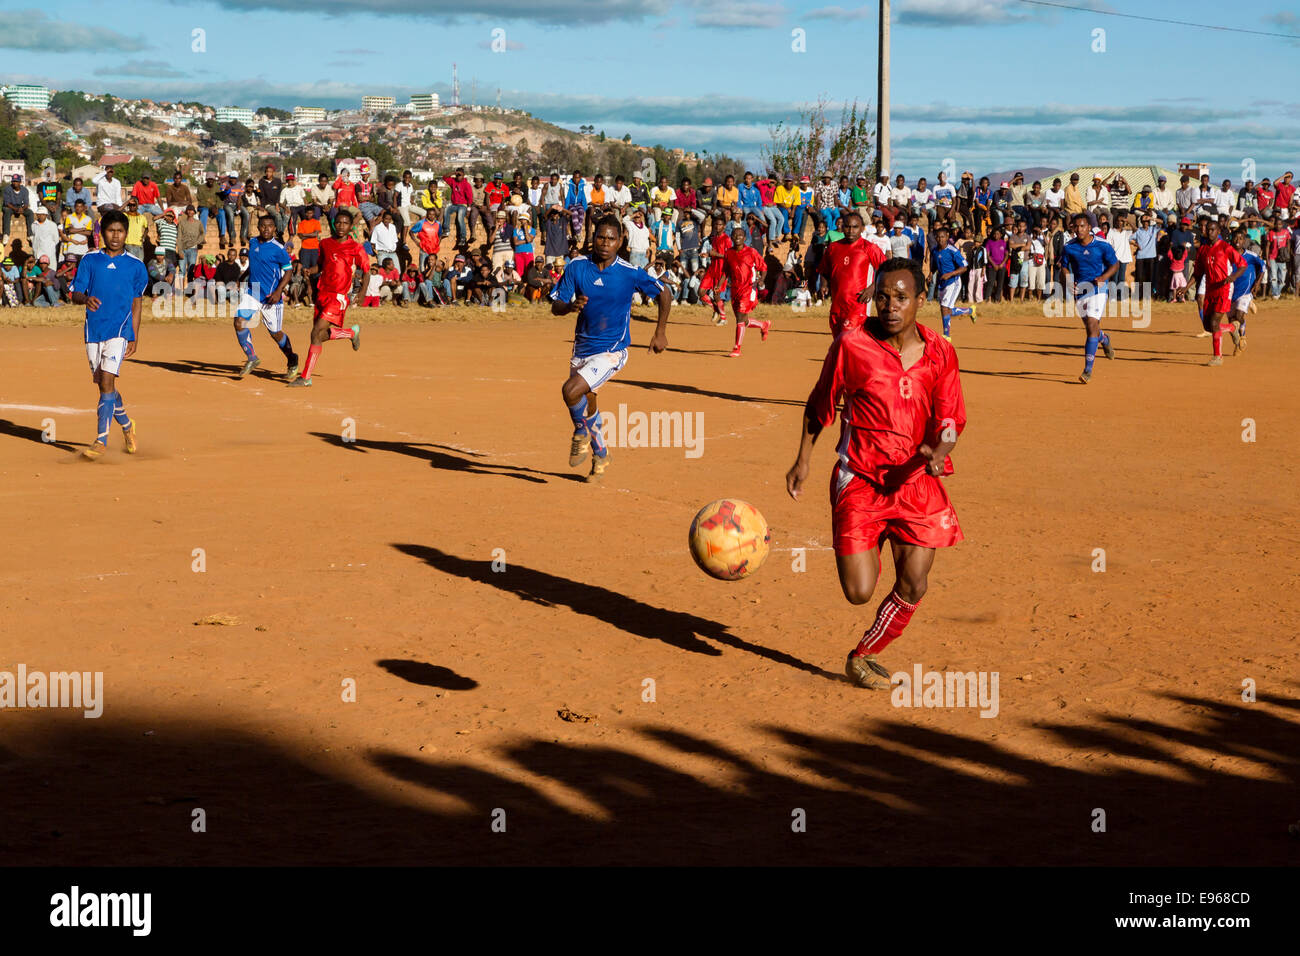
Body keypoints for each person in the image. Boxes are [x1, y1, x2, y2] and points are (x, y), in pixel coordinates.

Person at [785, 256, 965, 688]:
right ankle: (872, 537)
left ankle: (864, 655)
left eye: (901, 297)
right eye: (882, 296)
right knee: (858, 591)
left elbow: (951, 422)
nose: (890, 305)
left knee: (915, 582)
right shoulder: (851, 344)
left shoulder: (941, 352)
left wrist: (939, 452)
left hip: (917, 481)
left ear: (920, 300)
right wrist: (803, 458)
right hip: (861, 480)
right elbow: (819, 405)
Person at [550, 215, 671, 482]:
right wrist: (570, 307)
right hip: (581, 349)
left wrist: (660, 331)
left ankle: (580, 433)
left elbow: (664, 292)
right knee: (586, 401)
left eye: (611, 238)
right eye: (601, 237)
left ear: (621, 241)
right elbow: (555, 305)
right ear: (593, 238)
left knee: (570, 391)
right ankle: (601, 453)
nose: (605, 242)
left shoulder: (629, 272)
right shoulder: (577, 267)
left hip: (612, 351)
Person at [68, 210, 148, 459]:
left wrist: (134, 334)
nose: (115, 235)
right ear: (102, 233)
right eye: (111, 231)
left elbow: (137, 304)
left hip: (120, 331)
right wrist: (85, 298)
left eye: (120, 231)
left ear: (127, 234)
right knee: (103, 383)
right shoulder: (90, 261)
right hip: (94, 331)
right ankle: (127, 425)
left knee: (107, 383)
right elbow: (74, 293)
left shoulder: (136, 266)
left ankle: (100, 441)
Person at [288, 210, 365, 388]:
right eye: (338, 223)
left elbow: (366, 271)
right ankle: (350, 333)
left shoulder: (355, 247)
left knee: (315, 333)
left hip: (338, 296)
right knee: (320, 335)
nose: (341, 226)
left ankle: (306, 377)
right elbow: (321, 265)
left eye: (345, 223)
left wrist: (361, 293)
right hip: (322, 293)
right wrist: (310, 270)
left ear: (350, 226)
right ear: (333, 224)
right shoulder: (325, 244)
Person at [233, 214, 298, 380]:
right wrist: (242, 278)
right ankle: (252, 358)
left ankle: (292, 358)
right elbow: (254, 265)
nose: (266, 229)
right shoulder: (253, 242)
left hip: (271, 297)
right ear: (258, 228)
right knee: (239, 322)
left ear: (275, 229)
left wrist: (278, 292)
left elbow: (289, 271)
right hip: (253, 292)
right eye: (263, 226)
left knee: (275, 333)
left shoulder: (279, 249)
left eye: (270, 226)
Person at [1060, 213, 1119, 384]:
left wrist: (1103, 277)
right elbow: (1063, 267)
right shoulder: (1069, 247)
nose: (1079, 229)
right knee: (1090, 329)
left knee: (1092, 324)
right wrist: (1069, 280)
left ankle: (1087, 370)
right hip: (1079, 291)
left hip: (1098, 289)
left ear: (1089, 227)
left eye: (1082, 226)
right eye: (1076, 226)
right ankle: (1104, 339)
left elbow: (1114, 264)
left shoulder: (1102, 245)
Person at [816, 211, 887, 336]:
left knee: (852, 340)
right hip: (837, 305)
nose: (851, 230)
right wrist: (823, 285)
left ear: (862, 229)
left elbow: (887, 270)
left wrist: (873, 288)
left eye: (855, 227)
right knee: (839, 341)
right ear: (842, 227)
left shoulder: (869, 248)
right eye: (847, 226)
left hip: (859, 304)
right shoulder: (833, 248)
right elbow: (824, 271)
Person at [1191, 218, 1246, 367]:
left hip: (1224, 288)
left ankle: (1218, 357)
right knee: (1208, 326)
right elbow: (1198, 272)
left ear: (1218, 231)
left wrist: (1233, 277)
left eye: (1213, 229)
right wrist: (1185, 287)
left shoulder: (1226, 247)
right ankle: (1232, 328)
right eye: (1207, 229)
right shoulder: (1202, 249)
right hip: (1210, 289)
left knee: (1215, 322)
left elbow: (1242, 265)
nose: (1209, 232)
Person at [720, 225, 770, 357]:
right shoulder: (729, 253)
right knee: (743, 320)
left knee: (740, 317)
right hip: (735, 289)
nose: (738, 237)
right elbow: (725, 271)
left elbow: (763, 267)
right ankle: (763, 325)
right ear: (731, 237)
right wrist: (719, 285)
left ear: (745, 238)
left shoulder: (751, 252)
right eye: (735, 235)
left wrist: (761, 280)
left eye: (740, 235)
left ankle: (737, 348)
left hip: (749, 288)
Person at [932, 225, 974, 339]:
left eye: (942, 237)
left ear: (947, 237)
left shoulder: (953, 250)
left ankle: (946, 336)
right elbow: (935, 265)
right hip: (942, 283)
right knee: (945, 309)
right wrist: (930, 274)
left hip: (953, 282)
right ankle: (970, 310)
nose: (940, 239)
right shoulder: (935, 251)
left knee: (945, 308)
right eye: (938, 237)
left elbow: (964, 266)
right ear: (935, 238)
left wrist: (950, 274)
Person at [1228, 230, 1264, 354]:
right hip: (1230, 291)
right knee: (1231, 323)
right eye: (1235, 238)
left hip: (1246, 291)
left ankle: (1243, 336)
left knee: (1238, 316)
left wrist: (1257, 284)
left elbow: (1263, 267)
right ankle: (1237, 344)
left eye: (1241, 238)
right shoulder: (1227, 254)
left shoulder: (1251, 255)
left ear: (1245, 241)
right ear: (1231, 239)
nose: (1238, 241)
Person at [697, 214, 732, 324]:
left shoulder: (727, 239)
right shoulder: (715, 238)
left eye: (720, 225)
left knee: (716, 294)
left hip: (722, 269)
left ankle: (723, 318)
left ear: (724, 226)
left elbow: (729, 256)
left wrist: (715, 254)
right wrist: (707, 255)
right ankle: (716, 310)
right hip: (712, 268)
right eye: (716, 224)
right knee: (701, 292)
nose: (717, 227)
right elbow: (714, 253)